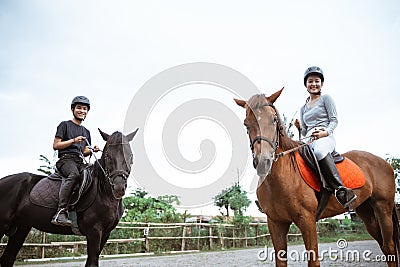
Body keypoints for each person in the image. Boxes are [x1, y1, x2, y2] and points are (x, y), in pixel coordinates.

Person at [295, 66, 356, 209]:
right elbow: (305, 132)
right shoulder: (303, 108)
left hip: (324, 137)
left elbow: (334, 120)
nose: (314, 84)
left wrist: (325, 133)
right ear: (306, 85)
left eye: (317, 81)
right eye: (310, 81)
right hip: (308, 139)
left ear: (321, 84)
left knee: (320, 152)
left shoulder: (326, 99)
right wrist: (299, 128)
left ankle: (341, 190)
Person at [51, 96, 99, 226]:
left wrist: (92, 150)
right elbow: (56, 145)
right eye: (79, 108)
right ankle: (60, 212)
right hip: (65, 160)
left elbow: (83, 152)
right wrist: (73, 140)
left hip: (79, 160)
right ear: (73, 109)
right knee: (74, 175)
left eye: (85, 109)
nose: (82, 111)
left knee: (93, 175)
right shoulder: (64, 125)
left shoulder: (86, 131)